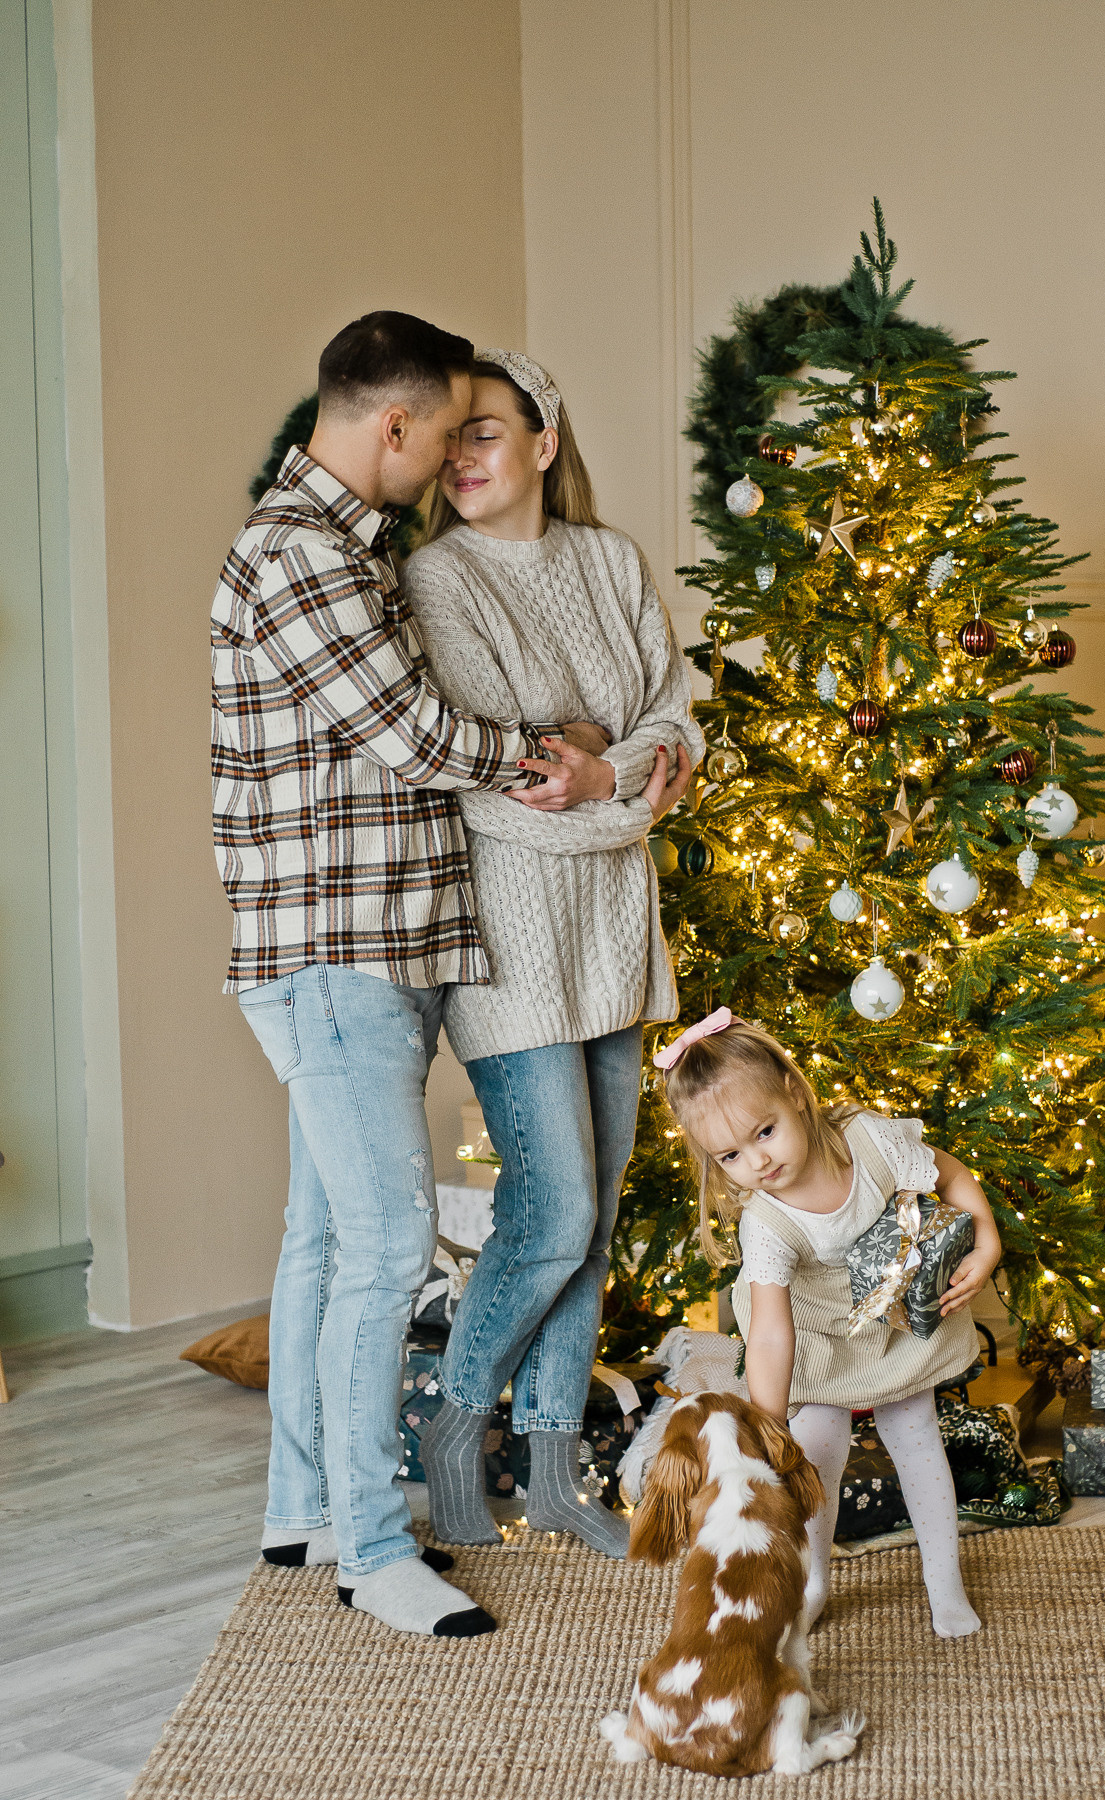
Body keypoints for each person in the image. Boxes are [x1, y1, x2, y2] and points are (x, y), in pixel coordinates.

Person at [211, 313, 617, 1640]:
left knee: (328, 1239)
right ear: (392, 424)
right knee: (385, 1247)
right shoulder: (301, 553)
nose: (449, 458)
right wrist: (548, 750)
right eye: (442, 432)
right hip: (340, 959)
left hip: (367, 952)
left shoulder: (345, 546)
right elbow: (411, 733)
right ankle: (375, 1552)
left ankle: (303, 1508)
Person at [403, 349, 702, 1557]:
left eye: (483, 430)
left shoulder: (610, 561)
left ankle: (552, 1467)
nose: (459, 455)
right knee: (555, 1209)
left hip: (614, 933)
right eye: (448, 436)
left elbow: (673, 724)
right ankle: (451, 1429)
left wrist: (597, 765)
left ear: (542, 440)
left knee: (596, 1215)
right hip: (509, 938)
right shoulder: (437, 578)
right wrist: (617, 792)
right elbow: (491, 776)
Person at [655, 1009, 1002, 1638]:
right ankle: (813, 1582)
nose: (758, 1161)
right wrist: (768, 1427)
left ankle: (943, 1582)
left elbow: (950, 1173)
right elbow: (771, 1333)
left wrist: (986, 1242)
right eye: (731, 1154)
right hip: (814, 1335)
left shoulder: (867, 1141)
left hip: (891, 1315)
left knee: (917, 1436)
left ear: (794, 1092)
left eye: (765, 1132)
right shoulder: (766, 1223)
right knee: (814, 1452)